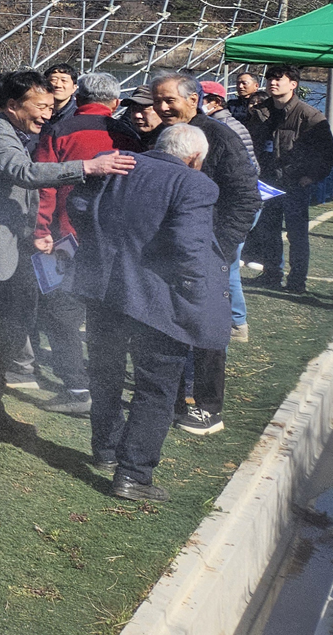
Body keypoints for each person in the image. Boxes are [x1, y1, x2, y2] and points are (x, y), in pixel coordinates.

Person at [0, 70, 134, 443]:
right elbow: (23, 173)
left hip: (12, 252)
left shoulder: (21, 134)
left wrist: (34, 234)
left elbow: (14, 194)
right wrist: (88, 167)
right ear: (12, 105)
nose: (48, 113)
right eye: (40, 106)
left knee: (7, 332)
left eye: (52, 105)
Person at [70, 122, 228, 503]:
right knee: (155, 388)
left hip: (104, 290)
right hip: (157, 301)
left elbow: (77, 207)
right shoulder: (194, 184)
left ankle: (106, 450)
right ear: (195, 158)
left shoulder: (117, 164)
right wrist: (193, 290)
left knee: (104, 373)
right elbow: (189, 246)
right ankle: (134, 474)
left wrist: (104, 250)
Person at [150, 72, 260, 437]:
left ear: (193, 99)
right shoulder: (158, 136)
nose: (162, 107)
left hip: (207, 251)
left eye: (170, 100)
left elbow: (246, 197)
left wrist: (220, 248)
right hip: (166, 250)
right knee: (168, 327)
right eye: (158, 100)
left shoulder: (218, 136)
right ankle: (173, 399)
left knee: (208, 331)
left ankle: (209, 408)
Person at [29, 72, 136, 417]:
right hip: (115, 237)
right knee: (106, 316)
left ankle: (76, 385)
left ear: (79, 95)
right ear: (115, 103)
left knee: (60, 312)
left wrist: (40, 227)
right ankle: (107, 387)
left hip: (66, 233)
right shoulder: (127, 133)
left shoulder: (59, 130)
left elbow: (43, 183)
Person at [245, 65, 333, 291]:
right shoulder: (260, 112)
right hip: (266, 182)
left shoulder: (310, 116)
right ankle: (271, 274)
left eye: (278, 79)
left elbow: (327, 152)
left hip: (295, 184)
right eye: (270, 79)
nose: (272, 83)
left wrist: (310, 176)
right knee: (268, 230)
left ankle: (297, 282)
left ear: (293, 84)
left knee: (297, 235)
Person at [201, 80, 258, 344]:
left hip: (229, 208)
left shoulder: (224, 129)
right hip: (234, 205)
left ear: (215, 102)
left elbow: (247, 171)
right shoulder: (233, 125)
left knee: (229, 267)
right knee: (230, 267)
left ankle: (237, 323)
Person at [45, 63, 80, 128]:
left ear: (74, 88)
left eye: (64, 81)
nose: (58, 85)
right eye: (53, 80)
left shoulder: (78, 115)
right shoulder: (35, 112)